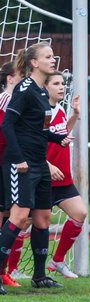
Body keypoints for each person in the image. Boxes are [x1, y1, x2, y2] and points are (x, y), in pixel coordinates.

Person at [0, 43, 74, 292]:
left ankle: (39, 276)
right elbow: (7, 125)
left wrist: (57, 138)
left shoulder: (42, 92)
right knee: (19, 217)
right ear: (34, 62)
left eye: (53, 56)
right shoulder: (24, 89)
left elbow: (39, 129)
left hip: (39, 164)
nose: (53, 60)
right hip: (21, 164)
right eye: (48, 56)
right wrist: (19, 158)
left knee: (42, 219)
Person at [45, 72, 87, 280]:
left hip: (63, 179)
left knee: (80, 213)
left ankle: (57, 261)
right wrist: (48, 165)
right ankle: (9, 269)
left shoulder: (60, 109)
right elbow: (33, 141)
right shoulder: (41, 111)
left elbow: (61, 133)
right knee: (21, 223)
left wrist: (74, 114)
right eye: (56, 83)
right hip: (44, 177)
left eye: (62, 83)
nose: (61, 87)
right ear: (45, 87)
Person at [0, 59, 26, 288]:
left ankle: (4, 270)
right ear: (10, 78)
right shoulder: (6, 100)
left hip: (8, 165)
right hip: (4, 163)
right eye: (21, 73)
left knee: (15, 216)